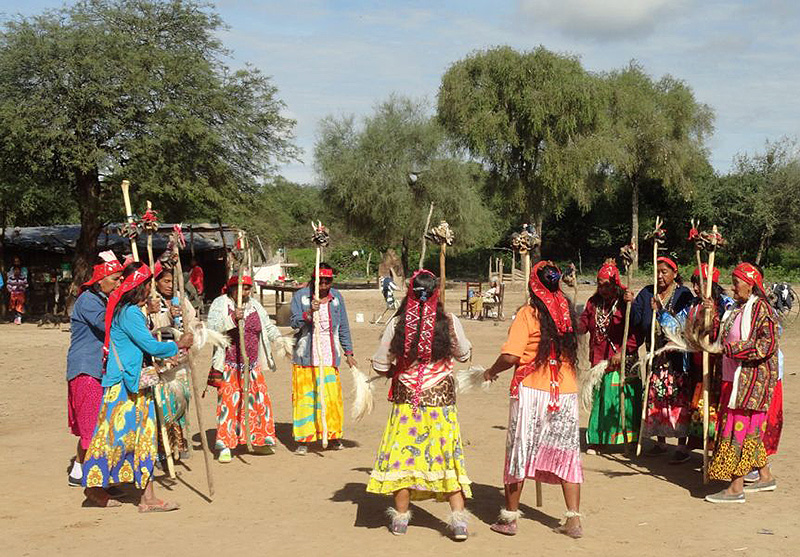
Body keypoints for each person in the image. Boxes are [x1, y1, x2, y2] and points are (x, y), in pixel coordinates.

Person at [367, 270, 473, 540]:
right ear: (436, 293)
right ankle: (459, 522)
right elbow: (464, 354)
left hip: (407, 404)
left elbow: (380, 364)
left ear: (410, 293)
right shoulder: (449, 322)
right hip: (441, 405)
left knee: (403, 457)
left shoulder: (397, 323)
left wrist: (396, 370)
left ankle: (401, 518)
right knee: (446, 456)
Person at [484, 261, 584, 539]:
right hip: (564, 392)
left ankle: (509, 518)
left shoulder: (528, 314)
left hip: (531, 391)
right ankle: (574, 520)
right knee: (566, 453)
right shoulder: (567, 312)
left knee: (519, 450)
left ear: (533, 286)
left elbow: (511, 356)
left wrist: (491, 371)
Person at [82, 261, 193, 511]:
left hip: (132, 384)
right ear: (139, 288)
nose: (150, 293)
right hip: (125, 386)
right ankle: (95, 488)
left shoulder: (128, 311)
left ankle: (147, 497)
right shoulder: (130, 312)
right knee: (115, 439)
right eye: (147, 287)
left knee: (142, 439)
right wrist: (179, 344)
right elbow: (150, 346)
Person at [702, 263, 779, 503]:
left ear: (750, 284)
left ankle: (736, 488)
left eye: (736, 283)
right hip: (732, 379)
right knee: (747, 430)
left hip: (751, 382)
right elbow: (724, 334)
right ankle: (765, 476)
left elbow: (766, 345)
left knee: (740, 431)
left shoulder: (762, 310)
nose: (733, 288)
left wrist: (731, 349)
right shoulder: (736, 309)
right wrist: (712, 315)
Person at [207, 275, 282, 463]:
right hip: (230, 365)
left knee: (257, 402)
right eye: (240, 288)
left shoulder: (255, 306)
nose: (244, 292)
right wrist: (232, 318)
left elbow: (267, 327)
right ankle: (225, 445)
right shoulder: (220, 304)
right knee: (229, 404)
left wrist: (280, 340)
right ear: (231, 289)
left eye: (247, 288)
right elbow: (212, 329)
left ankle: (257, 440)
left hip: (252, 365)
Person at [65, 251, 123, 487]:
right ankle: (96, 485)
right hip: (86, 370)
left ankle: (78, 472)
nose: (118, 284)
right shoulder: (89, 300)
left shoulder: (101, 300)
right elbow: (106, 324)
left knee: (96, 424)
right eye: (115, 279)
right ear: (101, 280)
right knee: (94, 429)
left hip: (96, 369)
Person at [630, 256, 694, 462]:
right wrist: (629, 304)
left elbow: (681, 327)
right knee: (655, 398)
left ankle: (682, 445)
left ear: (675, 273)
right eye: (657, 272)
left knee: (679, 400)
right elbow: (636, 322)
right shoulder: (647, 293)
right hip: (655, 358)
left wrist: (661, 311)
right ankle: (660, 441)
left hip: (677, 360)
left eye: (664, 272)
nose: (659, 276)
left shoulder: (684, 295)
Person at [289, 262, 357, 455]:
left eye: (328, 281)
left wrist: (348, 353)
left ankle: (332, 435)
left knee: (331, 398)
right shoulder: (301, 297)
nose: (324, 285)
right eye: (321, 281)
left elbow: (343, 326)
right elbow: (293, 323)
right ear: (314, 280)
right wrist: (309, 313)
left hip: (328, 355)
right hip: (306, 356)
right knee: (306, 399)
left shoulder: (337, 299)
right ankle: (304, 439)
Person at [577, 261, 639, 453]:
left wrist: (623, 351)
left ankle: (629, 438)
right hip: (599, 361)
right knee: (600, 400)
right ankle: (598, 439)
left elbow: (637, 331)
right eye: (599, 284)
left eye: (607, 285)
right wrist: (570, 323)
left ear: (615, 284)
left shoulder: (626, 303)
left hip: (622, 359)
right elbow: (582, 325)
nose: (603, 289)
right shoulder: (593, 303)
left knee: (622, 400)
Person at [147, 264, 199, 461]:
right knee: (162, 403)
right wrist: (168, 315)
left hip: (181, 359)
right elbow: (153, 329)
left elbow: (192, 322)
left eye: (172, 281)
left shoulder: (181, 299)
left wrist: (191, 329)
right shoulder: (152, 301)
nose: (169, 285)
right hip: (161, 359)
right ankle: (163, 449)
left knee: (181, 399)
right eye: (165, 281)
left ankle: (179, 443)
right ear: (157, 282)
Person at [680, 264, 734, 449]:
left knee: (714, 406)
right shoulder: (693, 305)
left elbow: (729, 330)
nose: (695, 288)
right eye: (694, 284)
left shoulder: (726, 304)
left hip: (717, 367)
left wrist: (714, 314)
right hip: (696, 364)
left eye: (700, 284)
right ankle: (696, 445)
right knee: (696, 405)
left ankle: (715, 447)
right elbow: (681, 327)